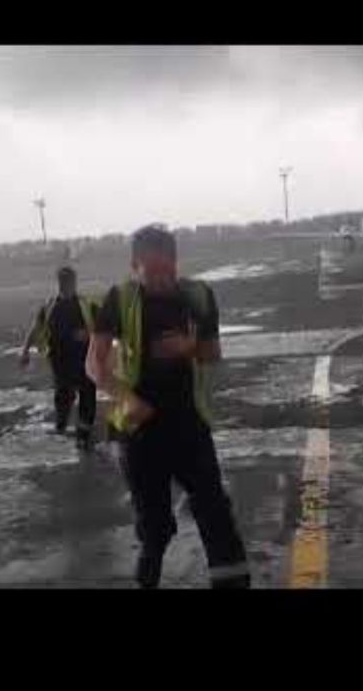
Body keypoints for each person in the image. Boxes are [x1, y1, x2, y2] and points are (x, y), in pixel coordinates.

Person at [86, 225, 250, 589]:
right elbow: (94, 363)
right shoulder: (121, 299)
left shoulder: (198, 297)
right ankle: (151, 560)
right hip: (139, 430)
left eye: (168, 269)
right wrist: (127, 398)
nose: (162, 278)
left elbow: (212, 354)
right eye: (152, 271)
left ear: (177, 263)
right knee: (155, 526)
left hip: (189, 424)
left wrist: (189, 348)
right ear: (135, 266)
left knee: (215, 514)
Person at [20, 266, 100, 451]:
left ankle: (83, 435)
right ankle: (62, 425)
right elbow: (36, 328)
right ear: (59, 283)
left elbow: (105, 327)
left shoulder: (87, 305)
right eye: (63, 282)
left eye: (69, 281)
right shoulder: (49, 306)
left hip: (85, 360)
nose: (67, 285)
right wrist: (25, 350)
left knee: (88, 395)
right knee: (63, 396)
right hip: (60, 361)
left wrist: (88, 334)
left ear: (74, 282)